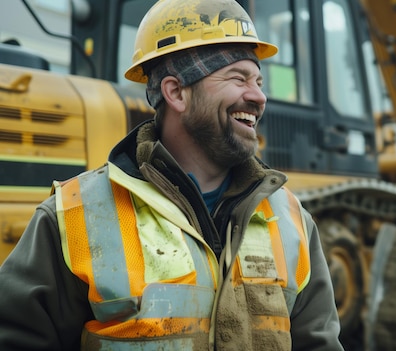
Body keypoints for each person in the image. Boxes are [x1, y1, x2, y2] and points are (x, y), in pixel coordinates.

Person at [0, 0, 344, 349]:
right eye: (238, 78)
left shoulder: (291, 219)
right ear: (176, 92)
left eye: (258, 80)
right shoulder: (74, 217)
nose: (259, 96)